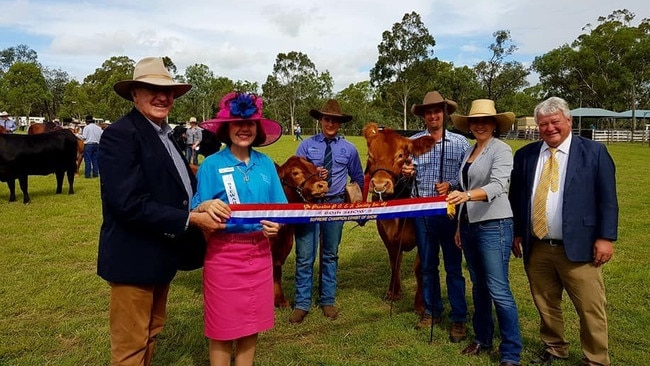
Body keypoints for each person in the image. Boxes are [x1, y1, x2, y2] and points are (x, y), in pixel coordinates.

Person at [97, 56, 221, 366]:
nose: (163, 97)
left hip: (161, 254)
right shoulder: (121, 135)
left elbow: (178, 188)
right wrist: (191, 218)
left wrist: (198, 203)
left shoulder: (165, 135)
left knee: (151, 331)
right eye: (152, 89)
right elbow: (127, 203)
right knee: (131, 345)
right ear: (134, 94)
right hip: (133, 257)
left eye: (169, 92)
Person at [509, 96, 618, 366]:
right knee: (545, 303)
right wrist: (517, 232)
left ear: (568, 120)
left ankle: (595, 359)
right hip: (538, 245)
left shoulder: (594, 152)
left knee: (590, 307)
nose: (549, 129)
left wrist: (605, 238)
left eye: (554, 122)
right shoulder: (525, 155)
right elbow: (517, 197)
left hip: (580, 246)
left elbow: (607, 198)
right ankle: (554, 347)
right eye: (543, 124)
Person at [191, 92, 286, 366]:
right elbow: (197, 208)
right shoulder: (211, 165)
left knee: (251, 322)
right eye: (237, 123)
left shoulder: (266, 164)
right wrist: (206, 205)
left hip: (259, 255)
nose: (244, 129)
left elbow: (279, 207)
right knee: (221, 327)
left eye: (250, 124)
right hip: (223, 256)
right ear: (226, 128)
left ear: (257, 130)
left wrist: (275, 225)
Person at [447, 99, 522, 366]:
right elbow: (462, 189)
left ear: (494, 124)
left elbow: (498, 186)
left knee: (498, 289)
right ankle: (482, 338)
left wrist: (465, 195)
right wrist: (459, 226)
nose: (479, 125)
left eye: (485, 121)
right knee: (478, 286)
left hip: (495, 225)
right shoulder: (469, 152)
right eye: (474, 122)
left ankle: (511, 351)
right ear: (469, 126)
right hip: (469, 225)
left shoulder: (501, 150)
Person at [401, 91, 470, 341]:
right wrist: (406, 172)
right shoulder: (413, 142)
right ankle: (432, 311)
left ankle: (459, 318)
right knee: (428, 265)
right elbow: (404, 173)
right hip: (421, 212)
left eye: (437, 111)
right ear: (424, 116)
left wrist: (451, 185)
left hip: (449, 213)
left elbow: (468, 178)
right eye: (428, 112)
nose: (433, 115)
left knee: (453, 267)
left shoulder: (461, 143)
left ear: (445, 114)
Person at [289, 99, 364, 323]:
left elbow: (358, 177)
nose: (330, 123)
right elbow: (295, 174)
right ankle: (302, 303)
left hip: (335, 205)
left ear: (340, 123)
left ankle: (327, 300)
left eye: (335, 120)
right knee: (304, 255)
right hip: (309, 205)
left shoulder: (349, 149)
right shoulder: (306, 146)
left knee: (330, 254)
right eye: (327, 119)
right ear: (321, 120)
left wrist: (355, 205)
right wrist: (312, 174)